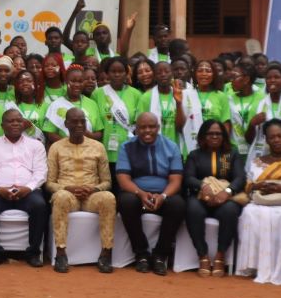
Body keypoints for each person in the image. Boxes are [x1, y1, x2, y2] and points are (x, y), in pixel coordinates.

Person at [230, 120, 281, 284]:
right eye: (272, 137)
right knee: (250, 212)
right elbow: (248, 184)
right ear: (266, 139)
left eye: (280, 136)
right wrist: (257, 185)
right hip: (260, 202)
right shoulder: (256, 161)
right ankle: (255, 266)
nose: (277, 140)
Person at [0, 108, 51, 268]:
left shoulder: (36, 146)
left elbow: (41, 172)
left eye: (19, 120)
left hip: (28, 192)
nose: (16, 124)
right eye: (11, 121)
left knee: (40, 205)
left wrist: (28, 188)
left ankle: (33, 253)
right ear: (3, 125)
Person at [114, 112, 185, 275]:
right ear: (136, 129)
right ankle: (141, 254)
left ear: (158, 128)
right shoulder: (126, 146)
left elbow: (176, 180)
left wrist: (163, 196)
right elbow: (123, 179)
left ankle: (160, 255)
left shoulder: (171, 146)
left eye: (151, 127)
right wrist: (140, 194)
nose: (147, 131)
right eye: (142, 127)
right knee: (126, 202)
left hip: (163, 194)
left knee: (178, 205)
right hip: (137, 193)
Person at [46, 106, 116, 274]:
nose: (79, 125)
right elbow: (49, 183)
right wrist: (67, 187)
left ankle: (106, 253)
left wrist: (94, 188)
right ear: (66, 124)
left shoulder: (98, 147)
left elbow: (107, 181)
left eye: (82, 121)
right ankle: (61, 254)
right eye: (75, 122)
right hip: (69, 195)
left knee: (108, 197)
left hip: (91, 196)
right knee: (60, 196)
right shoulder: (56, 147)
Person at [183, 118, 245, 276]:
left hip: (224, 199)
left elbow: (240, 178)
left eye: (218, 133)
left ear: (224, 136)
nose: (215, 137)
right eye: (210, 134)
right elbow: (188, 177)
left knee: (231, 210)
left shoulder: (232, 154)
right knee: (192, 209)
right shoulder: (194, 155)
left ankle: (220, 255)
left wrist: (228, 192)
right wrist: (203, 187)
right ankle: (202, 255)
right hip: (201, 197)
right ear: (203, 136)